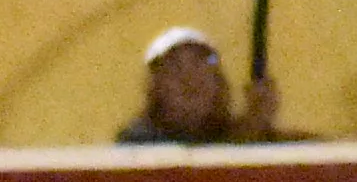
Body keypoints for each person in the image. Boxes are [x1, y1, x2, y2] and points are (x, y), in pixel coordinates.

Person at [120, 21, 288, 144]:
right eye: (175, 68)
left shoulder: (244, 135)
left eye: (200, 65)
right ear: (155, 87)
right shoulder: (137, 142)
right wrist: (252, 127)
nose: (190, 79)